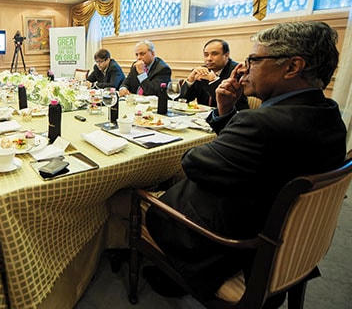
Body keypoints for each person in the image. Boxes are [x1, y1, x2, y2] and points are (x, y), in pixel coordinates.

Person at [144, 21, 347, 302]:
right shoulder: (330, 113)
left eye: (253, 60)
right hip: (289, 235)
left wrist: (230, 125)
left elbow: (194, 163)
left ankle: (174, 274)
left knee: (147, 201)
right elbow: (259, 160)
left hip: (231, 243)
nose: (243, 69)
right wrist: (227, 111)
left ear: (292, 67)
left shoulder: (260, 123)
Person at [180, 39, 249, 109]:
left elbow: (228, 104)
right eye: (206, 55)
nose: (209, 58)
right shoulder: (201, 71)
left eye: (214, 54)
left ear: (226, 55)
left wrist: (213, 80)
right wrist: (190, 80)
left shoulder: (237, 72)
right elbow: (181, 101)